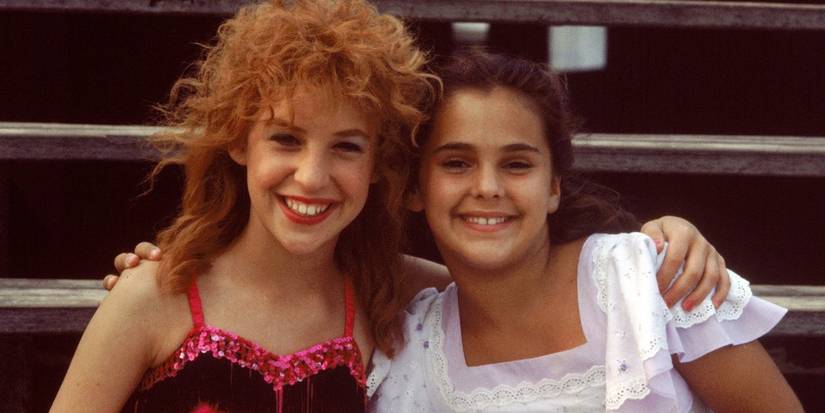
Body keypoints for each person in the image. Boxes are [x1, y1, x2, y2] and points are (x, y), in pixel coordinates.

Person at [51, 0, 438, 411]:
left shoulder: (381, 292)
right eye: (286, 139)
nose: (311, 176)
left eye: (346, 146)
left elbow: (493, 290)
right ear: (237, 140)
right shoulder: (154, 296)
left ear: (378, 162)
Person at [365, 50, 802, 412]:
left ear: (553, 186)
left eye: (517, 164)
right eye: (456, 163)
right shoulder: (417, 350)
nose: (487, 188)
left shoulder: (643, 281)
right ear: (414, 188)